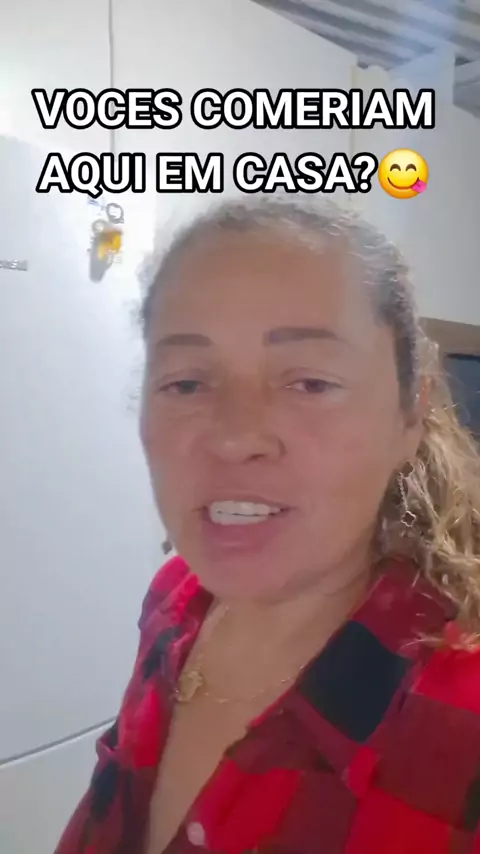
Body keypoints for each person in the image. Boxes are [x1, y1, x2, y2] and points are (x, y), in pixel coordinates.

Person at [55, 197, 480, 854]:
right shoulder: (175, 601)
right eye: (187, 384)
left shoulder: (456, 720)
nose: (234, 438)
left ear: (409, 415)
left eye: (309, 383)